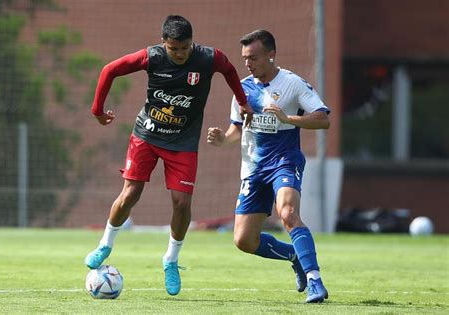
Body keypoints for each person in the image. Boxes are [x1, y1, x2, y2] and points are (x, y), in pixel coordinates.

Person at [85, 15, 253, 296]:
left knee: (182, 203)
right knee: (130, 194)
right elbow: (109, 70)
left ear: (192, 43)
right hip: (146, 135)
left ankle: (171, 260)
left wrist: (243, 101)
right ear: (163, 43)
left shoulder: (209, 58)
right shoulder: (151, 57)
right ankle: (105, 244)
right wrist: (97, 111)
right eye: (173, 49)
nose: (179, 54)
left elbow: (230, 70)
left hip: (183, 141)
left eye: (184, 48)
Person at [207, 29, 330, 303]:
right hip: (253, 168)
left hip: (284, 161)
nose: (248, 64)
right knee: (244, 241)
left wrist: (289, 118)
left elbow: (323, 119)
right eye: (245, 59)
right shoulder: (242, 89)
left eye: (253, 57)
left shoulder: (293, 83)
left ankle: (315, 281)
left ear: (271, 55)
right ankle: (294, 255)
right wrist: (221, 140)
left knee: (287, 213)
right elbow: (237, 130)